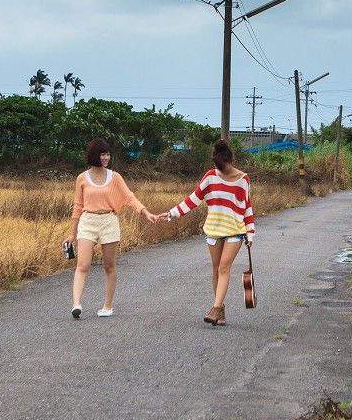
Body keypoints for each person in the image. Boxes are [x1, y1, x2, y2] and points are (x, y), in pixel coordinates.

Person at [157, 139, 255, 326]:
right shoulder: (210, 177)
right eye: (218, 167)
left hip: (235, 230)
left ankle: (215, 308)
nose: (221, 171)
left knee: (224, 267)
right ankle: (221, 311)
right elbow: (192, 200)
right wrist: (171, 213)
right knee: (216, 270)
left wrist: (250, 232)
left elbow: (247, 206)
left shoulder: (243, 179)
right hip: (214, 230)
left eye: (223, 167)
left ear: (230, 161)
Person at [69, 138, 153, 318]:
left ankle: (107, 306)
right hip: (88, 221)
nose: (106, 157)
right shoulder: (82, 178)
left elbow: (129, 197)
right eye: (102, 154)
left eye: (108, 154)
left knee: (109, 266)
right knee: (82, 264)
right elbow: (77, 206)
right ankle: (76, 304)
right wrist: (72, 234)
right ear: (94, 155)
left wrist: (145, 212)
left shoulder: (114, 177)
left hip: (108, 221)